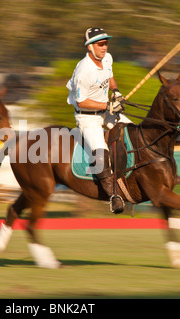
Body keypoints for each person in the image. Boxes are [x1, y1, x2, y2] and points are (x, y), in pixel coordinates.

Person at [66, 27, 133, 214]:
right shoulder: (83, 71)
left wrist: (116, 91)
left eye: (105, 43)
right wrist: (107, 106)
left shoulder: (107, 58)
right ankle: (114, 196)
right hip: (87, 117)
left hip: (104, 111)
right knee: (100, 153)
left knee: (133, 131)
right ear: (90, 47)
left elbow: (109, 77)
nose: (104, 47)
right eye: (100, 44)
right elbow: (81, 101)